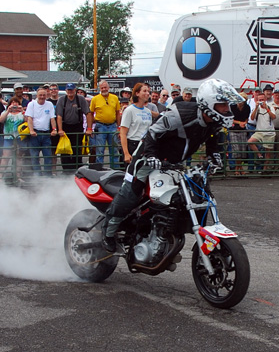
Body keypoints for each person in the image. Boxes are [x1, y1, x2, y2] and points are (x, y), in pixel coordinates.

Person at [102, 79, 240, 250]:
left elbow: (211, 137)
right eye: (223, 104)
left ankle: (162, 230)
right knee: (131, 192)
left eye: (227, 104)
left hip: (172, 162)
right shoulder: (180, 114)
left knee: (186, 195)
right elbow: (153, 133)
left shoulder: (213, 121)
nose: (227, 109)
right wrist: (151, 156)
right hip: (146, 158)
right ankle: (108, 231)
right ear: (209, 103)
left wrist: (213, 156)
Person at [87, 80, 122, 169]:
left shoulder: (115, 98)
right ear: (99, 88)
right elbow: (90, 114)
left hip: (113, 126)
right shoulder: (95, 99)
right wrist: (90, 128)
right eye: (102, 88)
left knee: (114, 150)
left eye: (105, 87)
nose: (103, 89)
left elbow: (118, 113)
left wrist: (119, 127)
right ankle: (99, 170)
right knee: (100, 150)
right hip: (100, 126)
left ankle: (115, 170)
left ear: (108, 88)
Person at [55, 82, 89, 169]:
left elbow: (88, 113)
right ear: (66, 90)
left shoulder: (80, 99)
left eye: (72, 89)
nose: (70, 91)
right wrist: (60, 129)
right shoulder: (62, 100)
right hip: (65, 126)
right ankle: (66, 170)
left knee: (77, 149)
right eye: (68, 90)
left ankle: (77, 168)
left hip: (77, 126)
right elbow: (59, 116)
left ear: (75, 90)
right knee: (65, 149)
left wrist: (89, 128)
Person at [25, 86, 57, 177]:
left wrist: (54, 129)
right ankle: (37, 176)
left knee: (47, 156)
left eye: (44, 95)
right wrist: (31, 130)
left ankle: (47, 175)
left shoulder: (49, 104)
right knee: (34, 156)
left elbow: (52, 118)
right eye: (40, 95)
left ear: (46, 95)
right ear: (37, 95)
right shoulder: (32, 104)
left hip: (46, 133)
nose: (42, 97)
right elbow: (29, 118)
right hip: (35, 133)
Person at [119, 83, 155, 163]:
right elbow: (123, 133)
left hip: (145, 144)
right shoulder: (129, 110)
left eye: (148, 91)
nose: (147, 93)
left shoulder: (148, 111)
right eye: (144, 91)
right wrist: (126, 153)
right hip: (133, 144)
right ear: (137, 93)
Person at [248, 91, 276, 170]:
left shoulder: (270, 107)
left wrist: (267, 108)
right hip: (259, 131)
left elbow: (274, 117)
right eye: (259, 100)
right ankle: (259, 155)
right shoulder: (257, 108)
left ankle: (265, 168)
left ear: (265, 99)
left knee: (268, 152)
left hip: (269, 132)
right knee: (250, 142)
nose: (261, 101)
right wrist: (256, 107)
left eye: (262, 100)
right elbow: (252, 118)